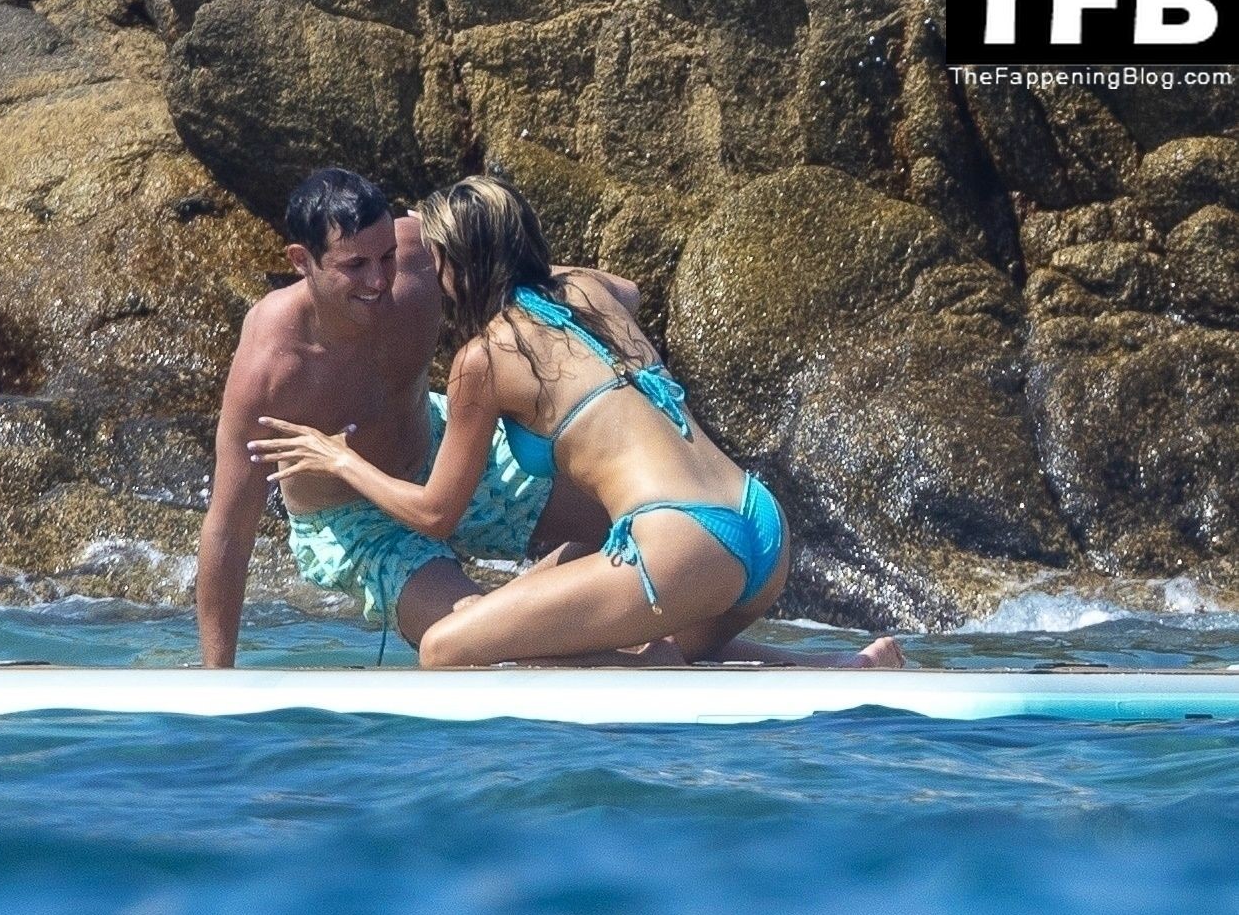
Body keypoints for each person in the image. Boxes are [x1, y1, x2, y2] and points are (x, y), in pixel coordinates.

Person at [249, 176, 904, 669]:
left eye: (437, 260)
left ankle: (699, 667)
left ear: (458, 264)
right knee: (649, 649)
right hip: (760, 525)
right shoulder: (590, 292)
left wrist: (339, 459)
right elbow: (630, 289)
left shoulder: (485, 358)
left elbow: (435, 515)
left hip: (682, 543)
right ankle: (841, 668)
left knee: (446, 649)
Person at [195, 168, 610, 668]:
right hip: (357, 519)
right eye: (354, 265)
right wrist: (217, 678)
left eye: (386, 256)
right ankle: (546, 626)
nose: (378, 281)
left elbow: (526, 275)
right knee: (483, 648)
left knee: (631, 522)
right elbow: (229, 529)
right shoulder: (271, 370)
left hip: (445, 453)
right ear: (302, 261)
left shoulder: (418, 252)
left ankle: (536, 604)